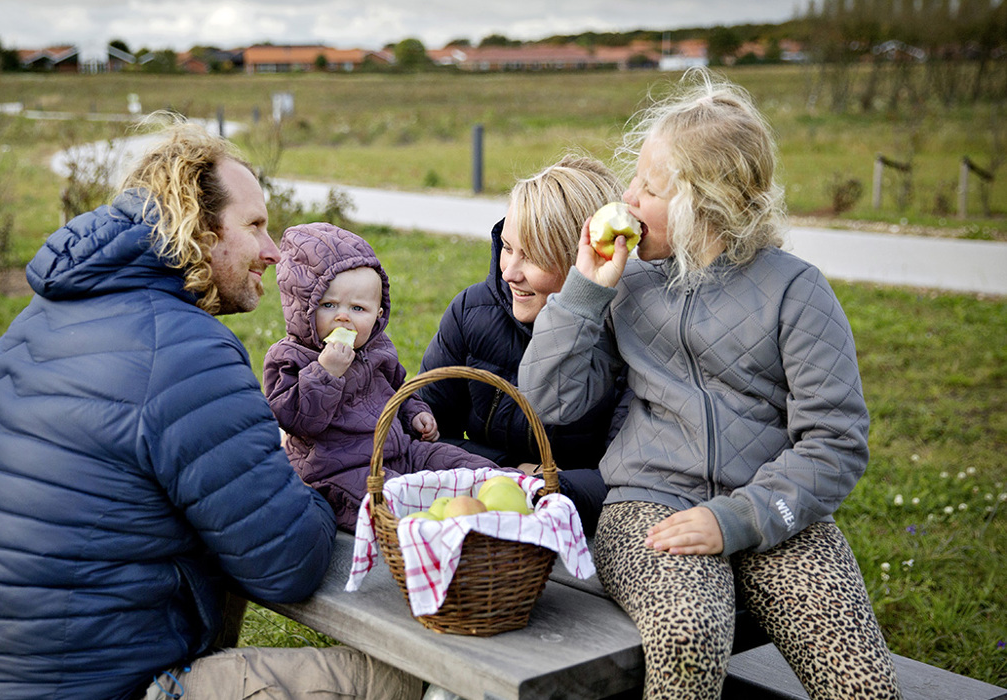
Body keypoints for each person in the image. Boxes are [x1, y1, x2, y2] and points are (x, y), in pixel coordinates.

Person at [0, 122, 421, 700]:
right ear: (201, 228)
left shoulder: (38, 320)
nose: (273, 250)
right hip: (94, 690)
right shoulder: (184, 350)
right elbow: (288, 562)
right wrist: (305, 476)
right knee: (406, 680)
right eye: (254, 225)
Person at [518, 70, 902, 699]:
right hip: (649, 502)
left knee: (859, 680)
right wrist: (584, 290)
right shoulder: (627, 285)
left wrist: (739, 519)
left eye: (649, 188)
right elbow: (549, 403)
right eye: (632, 182)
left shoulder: (797, 292)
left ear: (704, 204)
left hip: (774, 507)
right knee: (688, 633)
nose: (629, 199)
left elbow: (834, 443)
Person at [417, 154, 630, 535]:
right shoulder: (471, 312)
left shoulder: (625, 335)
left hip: (584, 534)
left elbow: (625, 478)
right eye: (508, 247)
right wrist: (510, 471)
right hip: (484, 533)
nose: (510, 272)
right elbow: (420, 435)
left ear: (587, 258)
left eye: (532, 255)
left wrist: (551, 489)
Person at [263, 222, 499, 532]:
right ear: (302, 306)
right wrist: (325, 372)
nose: (343, 316)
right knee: (397, 499)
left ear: (378, 313)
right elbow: (295, 420)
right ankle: (437, 534)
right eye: (329, 305)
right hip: (339, 472)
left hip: (402, 453)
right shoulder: (290, 358)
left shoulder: (378, 348)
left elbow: (399, 388)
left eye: (358, 308)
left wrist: (415, 412)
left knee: (461, 463)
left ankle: (507, 493)